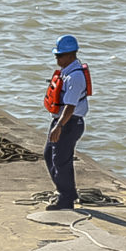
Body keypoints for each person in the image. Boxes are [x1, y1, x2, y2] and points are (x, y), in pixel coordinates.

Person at [42, 34, 91, 210]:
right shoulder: (67, 72)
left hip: (69, 123)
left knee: (61, 160)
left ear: (71, 55)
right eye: (56, 55)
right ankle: (68, 192)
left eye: (60, 55)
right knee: (49, 155)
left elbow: (70, 107)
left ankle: (66, 199)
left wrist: (59, 126)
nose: (57, 59)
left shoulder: (74, 77)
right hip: (62, 121)